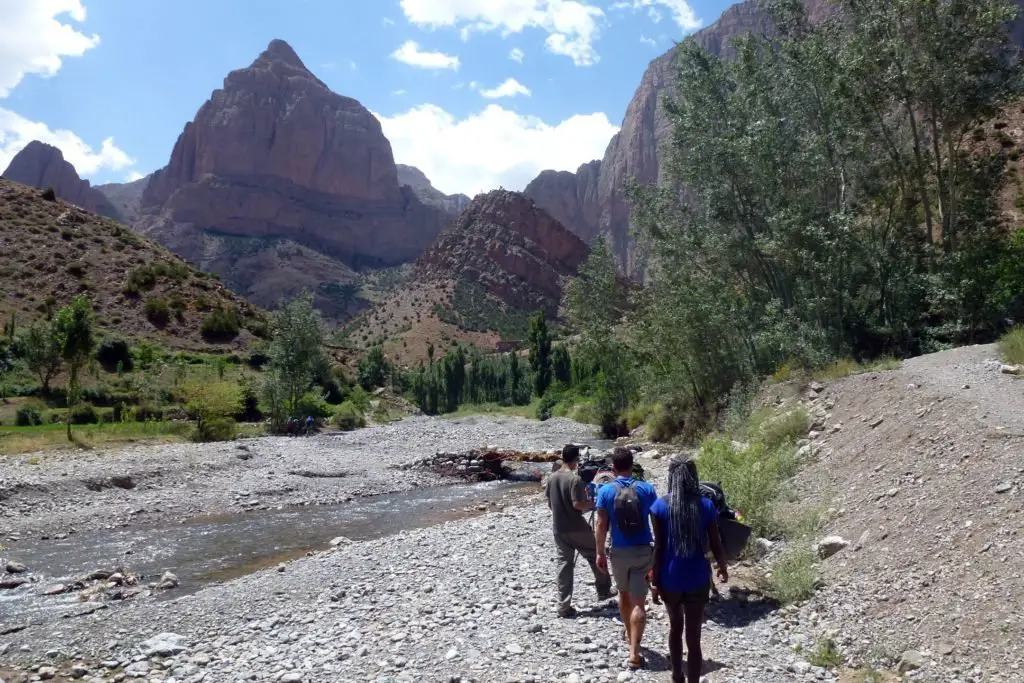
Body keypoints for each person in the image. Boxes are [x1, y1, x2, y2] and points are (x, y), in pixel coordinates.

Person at [650, 458, 729, 683]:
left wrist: (655, 582)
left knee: (675, 628)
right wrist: (722, 566)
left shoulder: (659, 507)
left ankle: (677, 675)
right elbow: (716, 542)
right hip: (697, 577)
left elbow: (659, 548)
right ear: (693, 476)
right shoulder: (706, 505)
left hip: (670, 577)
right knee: (694, 637)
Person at [595, 447, 659, 670]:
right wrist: (658, 552)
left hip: (619, 552)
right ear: (632, 466)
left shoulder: (605, 491)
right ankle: (635, 652)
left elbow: (601, 525)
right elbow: (657, 521)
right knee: (639, 602)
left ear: (613, 468)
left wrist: (600, 552)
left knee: (623, 594)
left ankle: (628, 633)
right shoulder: (647, 489)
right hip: (643, 550)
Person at [543, 444, 615, 618]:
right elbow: (577, 504)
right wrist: (593, 504)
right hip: (576, 528)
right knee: (596, 555)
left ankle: (563, 606)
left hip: (558, 529)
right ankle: (604, 591)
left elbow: (550, 504)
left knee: (564, 566)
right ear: (576, 459)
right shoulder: (574, 480)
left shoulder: (552, 477)